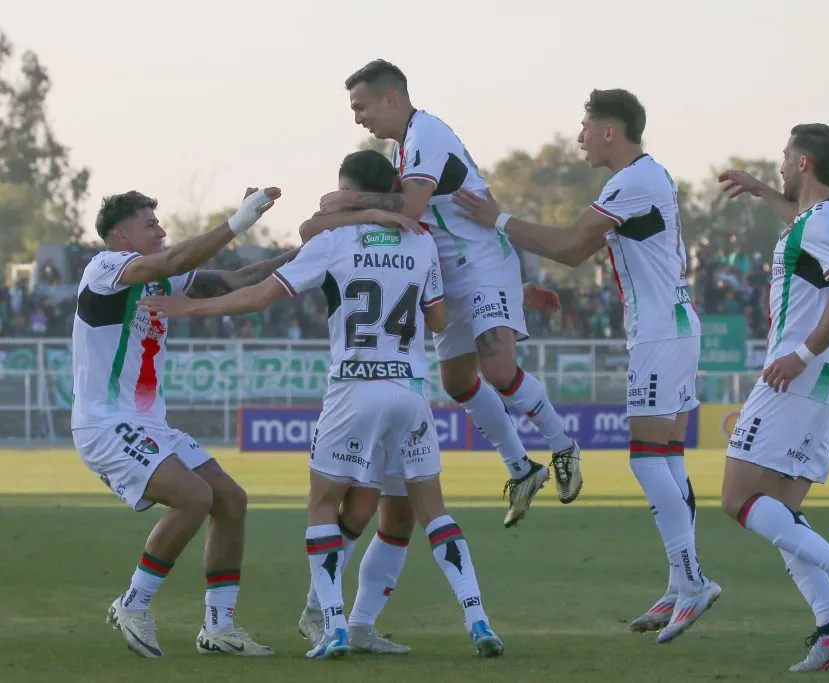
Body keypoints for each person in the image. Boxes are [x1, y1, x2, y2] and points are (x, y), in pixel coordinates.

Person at [139, 149, 504, 659]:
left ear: (346, 191)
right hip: (410, 391)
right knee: (431, 512)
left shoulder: (332, 241)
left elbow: (261, 296)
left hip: (354, 387)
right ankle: (479, 620)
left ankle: (332, 624)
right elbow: (440, 322)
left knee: (321, 506)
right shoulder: (421, 242)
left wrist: (192, 307)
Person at [454, 88, 719, 644]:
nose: (579, 137)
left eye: (584, 126)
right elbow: (584, 251)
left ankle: (694, 583)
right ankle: (679, 584)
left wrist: (497, 218)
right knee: (667, 460)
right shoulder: (648, 178)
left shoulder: (633, 180)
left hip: (660, 333)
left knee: (647, 461)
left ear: (607, 131)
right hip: (672, 327)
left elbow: (572, 244)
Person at [312, 59, 581, 528]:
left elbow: (413, 207)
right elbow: (424, 221)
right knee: (459, 383)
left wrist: (351, 201)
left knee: (499, 369)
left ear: (391, 98)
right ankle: (521, 468)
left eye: (362, 106)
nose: (358, 117)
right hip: (453, 276)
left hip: (481, 267)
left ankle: (563, 445)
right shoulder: (404, 150)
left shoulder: (427, 135)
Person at [75, 185, 285, 658]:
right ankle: (133, 603)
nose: (162, 231)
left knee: (230, 499)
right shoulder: (105, 268)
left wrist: (309, 249)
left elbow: (237, 279)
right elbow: (169, 263)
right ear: (119, 234)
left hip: (148, 424)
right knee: (194, 497)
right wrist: (239, 221)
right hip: (105, 423)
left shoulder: (161, 280)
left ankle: (219, 627)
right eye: (151, 224)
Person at [717, 124, 829, 672]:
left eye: (787, 157)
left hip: (797, 377)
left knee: (738, 498)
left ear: (806, 162)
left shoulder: (828, 219)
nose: (782, 163)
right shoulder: (820, 220)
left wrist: (803, 354)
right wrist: (764, 191)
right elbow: (804, 231)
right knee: (782, 512)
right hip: (822, 379)